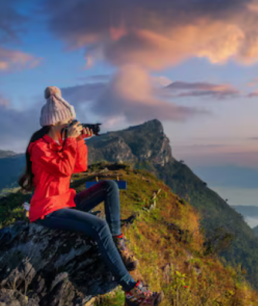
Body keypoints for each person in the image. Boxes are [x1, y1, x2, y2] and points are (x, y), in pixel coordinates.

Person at [18, 86, 163, 306]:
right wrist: (69, 142)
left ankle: (117, 240)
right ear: (55, 123)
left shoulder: (60, 143)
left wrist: (78, 141)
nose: (72, 125)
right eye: (69, 122)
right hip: (48, 210)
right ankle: (131, 291)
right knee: (98, 226)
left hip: (66, 201)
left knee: (109, 186)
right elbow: (64, 170)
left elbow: (80, 166)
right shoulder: (39, 148)